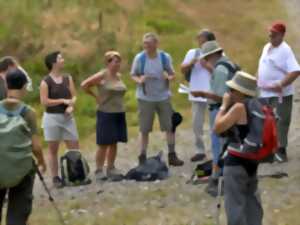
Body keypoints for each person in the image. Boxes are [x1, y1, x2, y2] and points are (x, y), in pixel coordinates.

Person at [214, 71, 263, 225]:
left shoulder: (239, 108)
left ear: (240, 92)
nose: (229, 93)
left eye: (232, 90)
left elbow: (217, 128)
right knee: (252, 204)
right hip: (251, 160)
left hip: (235, 163)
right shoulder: (256, 106)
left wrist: (223, 106)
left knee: (235, 206)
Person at [191, 40, 238, 196]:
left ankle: (217, 180)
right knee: (229, 145)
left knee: (218, 146)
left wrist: (202, 94)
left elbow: (219, 96)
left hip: (219, 110)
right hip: (232, 110)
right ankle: (226, 178)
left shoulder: (220, 70)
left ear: (211, 55)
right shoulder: (231, 64)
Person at [0, 69, 46, 225]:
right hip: (21, 170)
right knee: (18, 214)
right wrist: (41, 161)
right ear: (25, 86)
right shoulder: (28, 112)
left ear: (6, 85)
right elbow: (36, 147)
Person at [131, 32, 184, 166]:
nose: (146, 46)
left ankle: (172, 155)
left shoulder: (164, 57)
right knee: (144, 129)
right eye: (144, 43)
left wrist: (169, 77)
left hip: (163, 96)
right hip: (145, 97)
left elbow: (172, 74)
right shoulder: (140, 58)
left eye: (148, 44)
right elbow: (133, 75)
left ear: (156, 44)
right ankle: (142, 157)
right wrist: (140, 80)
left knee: (169, 127)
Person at [257, 21, 300, 162]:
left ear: (281, 35)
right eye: (270, 32)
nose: (271, 35)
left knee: (281, 121)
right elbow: (262, 65)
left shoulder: (285, 50)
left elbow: (295, 70)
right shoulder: (266, 47)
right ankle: (268, 151)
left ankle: (281, 150)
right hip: (265, 92)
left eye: (274, 33)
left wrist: (281, 83)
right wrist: (257, 78)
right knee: (266, 122)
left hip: (280, 94)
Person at [81, 51, 127, 181]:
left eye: (119, 61)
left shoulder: (118, 76)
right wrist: (96, 96)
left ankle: (111, 167)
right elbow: (84, 85)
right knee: (104, 142)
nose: (118, 64)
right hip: (105, 112)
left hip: (119, 112)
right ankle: (99, 169)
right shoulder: (102, 75)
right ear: (108, 62)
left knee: (114, 141)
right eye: (115, 61)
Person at [40, 51, 80, 188]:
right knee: (53, 149)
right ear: (53, 63)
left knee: (74, 147)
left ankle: (75, 174)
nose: (63, 59)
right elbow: (44, 101)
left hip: (68, 118)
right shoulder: (46, 82)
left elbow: (74, 96)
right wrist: (62, 101)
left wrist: (71, 106)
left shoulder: (68, 78)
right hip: (52, 118)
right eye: (60, 58)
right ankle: (55, 177)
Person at [181, 29, 216, 162]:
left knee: (215, 124)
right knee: (196, 124)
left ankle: (216, 150)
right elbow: (182, 69)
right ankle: (200, 150)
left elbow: (220, 72)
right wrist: (191, 63)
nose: (199, 42)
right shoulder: (192, 52)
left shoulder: (218, 54)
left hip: (212, 94)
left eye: (202, 39)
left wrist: (206, 65)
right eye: (199, 39)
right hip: (196, 93)